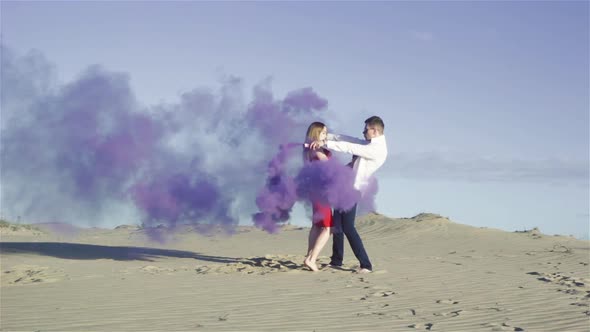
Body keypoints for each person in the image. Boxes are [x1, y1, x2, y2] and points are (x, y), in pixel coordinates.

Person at [309, 116, 388, 273]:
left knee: (348, 227)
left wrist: (324, 143)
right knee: (337, 225)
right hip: (344, 186)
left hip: (353, 190)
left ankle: (366, 265)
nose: (363, 131)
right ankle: (336, 260)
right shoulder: (368, 143)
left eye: (366, 129)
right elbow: (347, 139)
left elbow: (350, 148)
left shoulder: (376, 149)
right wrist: (325, 136)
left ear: (375, 130)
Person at [302, 122, 333, 272]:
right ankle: (312, 259)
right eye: (323, 133)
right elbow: (328, 166)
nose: (325, 136)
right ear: (316, 134)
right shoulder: (316, 150)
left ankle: (309, 255)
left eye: (326, 133)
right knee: (327, 228)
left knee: (316, 225)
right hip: (322, 191)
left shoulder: (307, 150)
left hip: (314, 190)